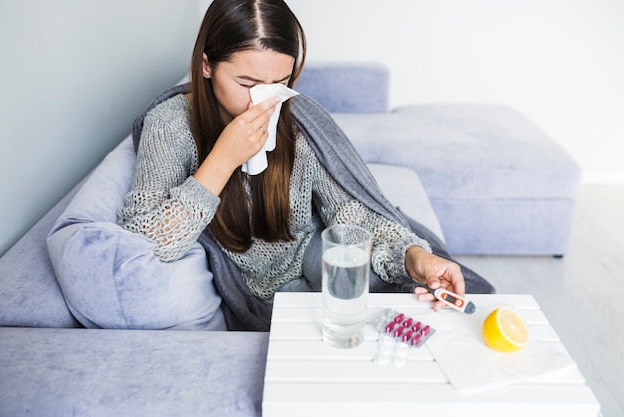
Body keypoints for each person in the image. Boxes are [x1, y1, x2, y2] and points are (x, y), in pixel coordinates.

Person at [118, 0, 493, 330]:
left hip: (312, 248)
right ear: (206, 65)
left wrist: (414, 256)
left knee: (392, 290)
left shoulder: (297, 119)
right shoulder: (170, 125)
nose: (262, 102)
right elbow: (144, 245)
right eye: (247, 82)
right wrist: (222, 159)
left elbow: (351, 212)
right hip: (253, 282)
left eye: (279, 83)